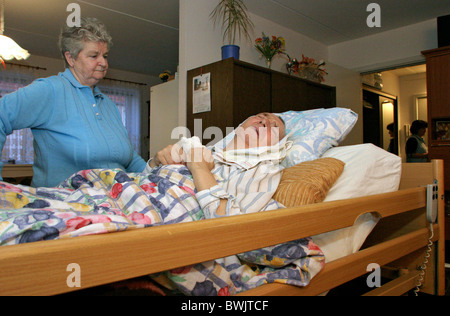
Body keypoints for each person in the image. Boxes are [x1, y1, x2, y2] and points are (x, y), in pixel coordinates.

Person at [0, 17, 147, 187]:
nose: (103, 63)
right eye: (94, 56)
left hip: (112, 204)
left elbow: (128, 159)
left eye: (105, 56)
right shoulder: (50, 90)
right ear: (70, 58)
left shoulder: (108, 105)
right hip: (63, 206)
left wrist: (152, 174)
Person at [148, 112, 290, 218]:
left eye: (274, 126)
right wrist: (156, 162)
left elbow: (232, 223)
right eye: (261, 116)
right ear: (242, 125)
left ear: (277, 146)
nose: (265, 122)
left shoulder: (262, 170)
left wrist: (199, 168)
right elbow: (143, 179)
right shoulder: (203, 151)